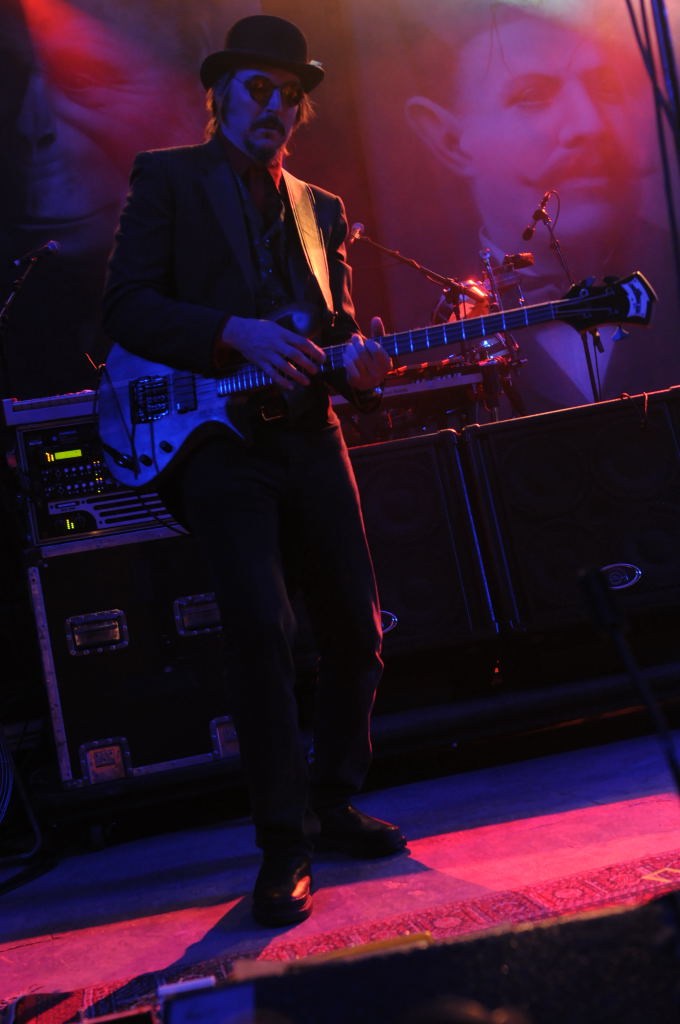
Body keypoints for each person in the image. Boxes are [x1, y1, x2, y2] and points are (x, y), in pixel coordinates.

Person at [102, 14, 406, 927]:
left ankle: (334, 799)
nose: (276, 105)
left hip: (309, 436)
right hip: (217, 444)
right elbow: (126, 308)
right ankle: (284, 843)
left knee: (355, 628)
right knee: (262, 633)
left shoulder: (321, 210)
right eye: (259, 88)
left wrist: (360, 371)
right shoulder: (169, 178)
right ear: (221, 96)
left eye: (291, 94)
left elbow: (335, 336)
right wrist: (231, 331)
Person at [403, 0, 680, 413]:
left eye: (606, 87)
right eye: (531, 96)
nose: (589, 124)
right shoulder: (426, 328)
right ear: (451, 141)